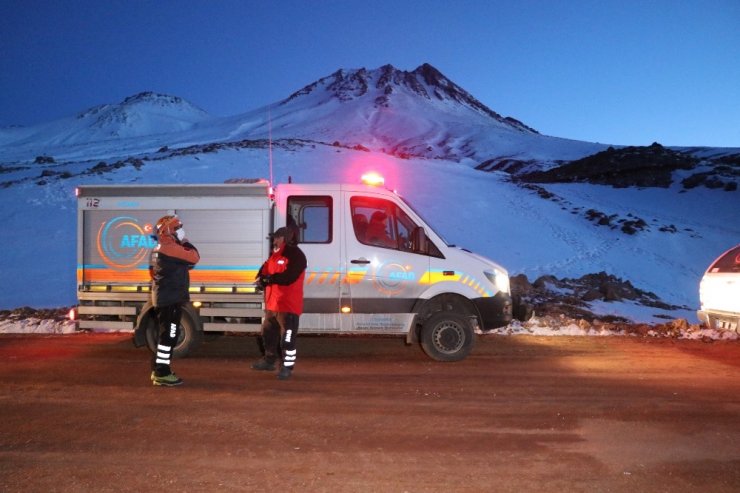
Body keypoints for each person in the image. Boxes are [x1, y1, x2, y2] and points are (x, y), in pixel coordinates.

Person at [148, 215, 200, 386]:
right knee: (169, 335)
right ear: (167, 230)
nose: (179, 230)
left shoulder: (160, 247)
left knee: (168, 335)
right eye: (176, 228)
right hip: (170, 298)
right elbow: (194, 257)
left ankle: (161, 369)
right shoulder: (169, 247)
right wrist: (184, 240)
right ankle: (161, 372)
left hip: (165, 297)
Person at [251, 226, 307, 380]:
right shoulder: (275, 255)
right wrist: (261, 278)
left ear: (283, 238)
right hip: (273, 304)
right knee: (268, 334)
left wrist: (270, 279)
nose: (273, 240)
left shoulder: (296, 255)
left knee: (287, 339)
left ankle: (288, 367)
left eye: (276, 238)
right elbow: (265, 269)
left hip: (288, 305)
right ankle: (269, 361)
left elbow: (289, 277)